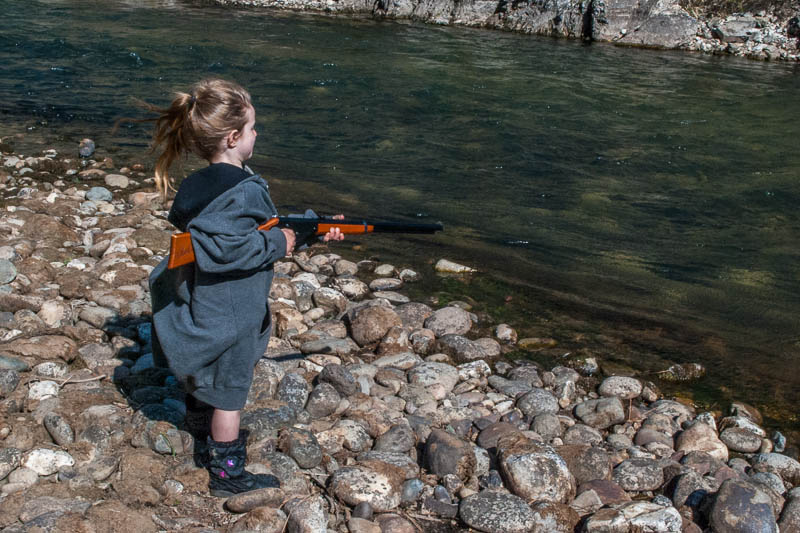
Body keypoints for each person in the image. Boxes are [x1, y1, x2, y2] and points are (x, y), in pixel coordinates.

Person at [146, 78, 343, 497]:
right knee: (230, 394)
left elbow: (250, 232)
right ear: (233, 138)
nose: (257, 134)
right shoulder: (243, 190)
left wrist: (310, 229)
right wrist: (279, 243)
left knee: (212, 373)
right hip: (233, 311)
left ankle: (199, 429)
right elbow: (234, 247)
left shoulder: (201, 185)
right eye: (253, 128)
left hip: (207, 300)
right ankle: (228, 474)